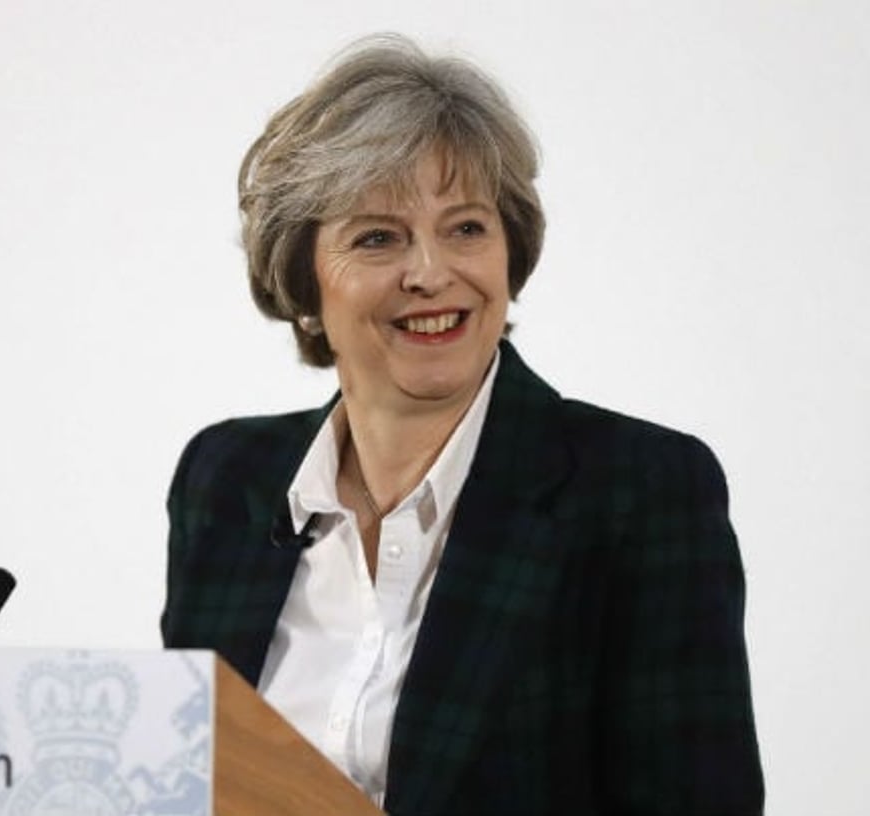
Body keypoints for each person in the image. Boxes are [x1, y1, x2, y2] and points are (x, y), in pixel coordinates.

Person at [161, 34, 763, 815]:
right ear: (301, 275)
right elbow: (185, 786)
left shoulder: (638, 491)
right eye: (377, 236)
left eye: (466, 228)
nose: (429, 272)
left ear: (511, 253)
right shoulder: (224, 477)